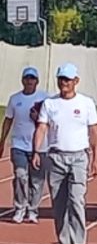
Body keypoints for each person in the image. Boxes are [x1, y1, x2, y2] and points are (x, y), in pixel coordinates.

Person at [31, 63, 97, 244]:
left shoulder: (86, 103)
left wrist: (95, 159)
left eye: (68, 80)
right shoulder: (50, 104)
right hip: (56, 156)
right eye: (61, 79)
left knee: (76, 199)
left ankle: (78, 243)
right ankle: (65, 242)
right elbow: (42, 128)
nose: (64, 83)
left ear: (76, 81)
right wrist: (37, 151)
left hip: (79, 156)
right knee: (59, 202)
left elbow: (94, 132)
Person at [1, 66, 49, 224]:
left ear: (37, 81)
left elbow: (49, 122)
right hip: (19, 145)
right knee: (21, 175)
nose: (29, 81)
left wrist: (37, 117)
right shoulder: (15, 99)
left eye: (32, 78)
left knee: (36, 180)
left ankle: (33, 209)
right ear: (22, 80)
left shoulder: (45, 98)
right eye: (27, 78)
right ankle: (20, 207)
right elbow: (8, 120)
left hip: (39, 146)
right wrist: (2, 141)